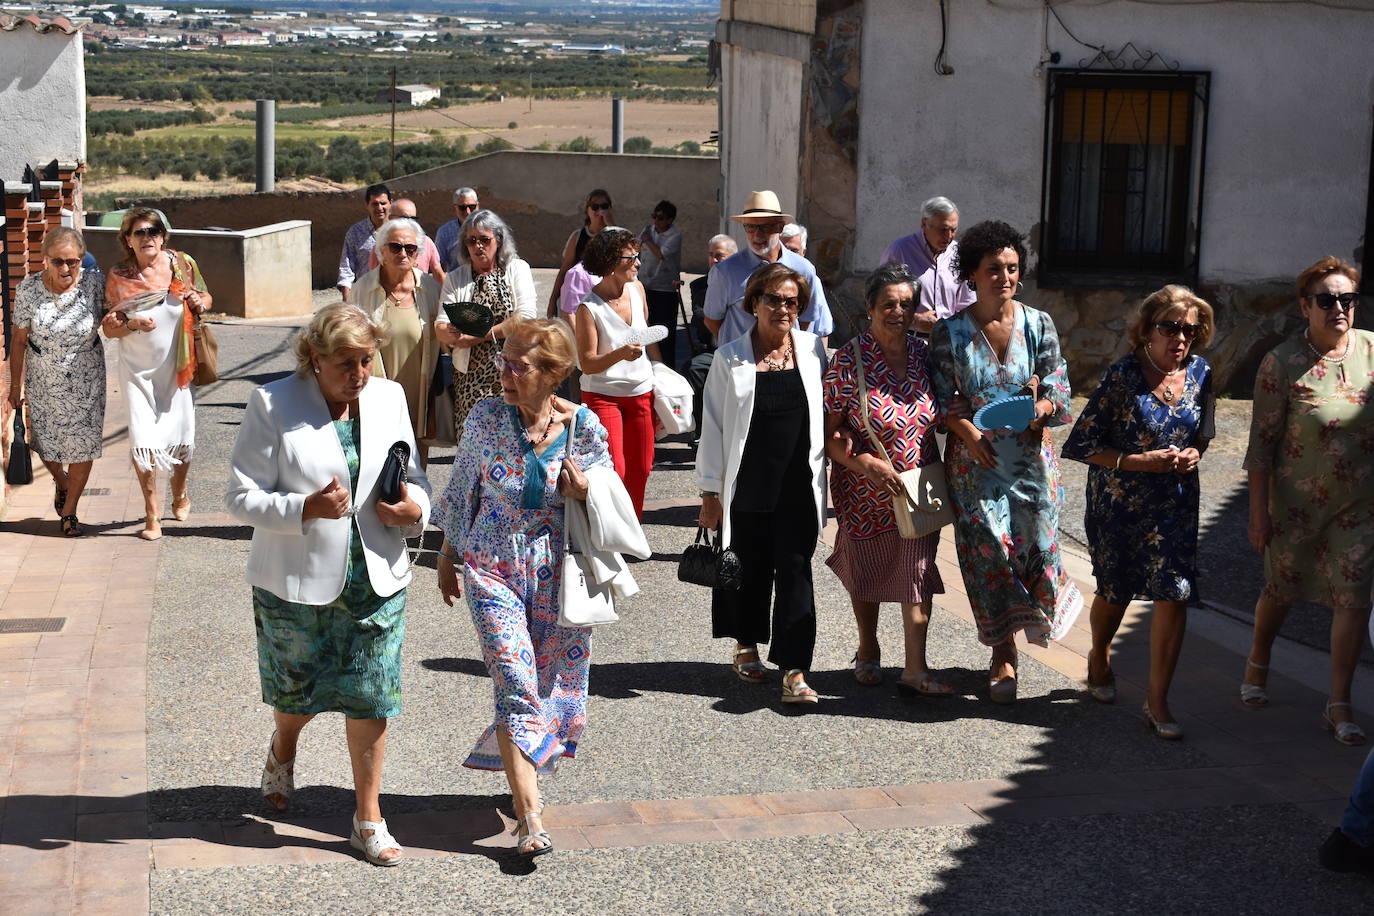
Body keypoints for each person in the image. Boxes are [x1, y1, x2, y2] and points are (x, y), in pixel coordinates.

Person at [226, 304, 430, 867]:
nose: (359, 373)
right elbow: (239, 495)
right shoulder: (273, 402)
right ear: (315, 358)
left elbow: (412, 474)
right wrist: (304, 507)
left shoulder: (388, 397)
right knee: (297, 697)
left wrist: (413, 509)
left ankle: (367, 818)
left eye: (367, 359)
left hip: (377, 578)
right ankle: (283, 744)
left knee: (371, 695)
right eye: (346, 362)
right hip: (295, 581)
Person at [433, 319, 613, 860]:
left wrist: (583, 489)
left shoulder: (585, 427)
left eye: (519, 365)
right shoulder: (486, 418)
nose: (504, 373)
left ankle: (522, 781)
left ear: (553, 374)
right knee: (515, 680)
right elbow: (462, 487)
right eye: (502, 361)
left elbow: (611, 498)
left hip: (560, 574)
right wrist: (446, 555)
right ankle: (530, 816)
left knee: (548, 686)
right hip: (492, 565)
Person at [928, 219, 1081, 703]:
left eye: (1013, 268)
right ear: (972, 272)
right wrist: (967, 430)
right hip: (975, 462)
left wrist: (1040, 407)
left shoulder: (1039, 324)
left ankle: (1035, 628)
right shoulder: (950, 331)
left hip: (1031, 463)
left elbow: (1058, 383)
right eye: (994, 268)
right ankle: (1003, 653)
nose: (1005, 277)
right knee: (989, 553)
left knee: (1035, 547)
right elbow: (940, 397)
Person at [1062, 286, 1216, 739]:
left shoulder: (1203, 374)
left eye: (1190, 329)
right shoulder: (1122, 376)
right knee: (1116, 590)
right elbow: (1082, 444)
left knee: (1175, 592)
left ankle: (1157, 701)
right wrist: (1135, 461)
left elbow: (1203, 434)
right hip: (1120, 503)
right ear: (1147, 329)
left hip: (1175, 505)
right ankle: (1099, 653)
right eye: (1170, 327)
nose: (1181, 338)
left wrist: (1193, 454)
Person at [1240, 256, 1374, 746]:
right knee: (1281, 589)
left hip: (1360, 507)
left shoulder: (1373, 353)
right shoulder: (1281, 363)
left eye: (1347, 298)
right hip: (1295, 506)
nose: (1338, 307)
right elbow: (1260, 447)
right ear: (1305, 307)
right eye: (1327, 299)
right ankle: (1258, 659)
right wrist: (1258, 514)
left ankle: (1339, 702)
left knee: (1354, 599)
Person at [697, 263, 828, 705]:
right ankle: (746, 643)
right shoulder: (729, 356)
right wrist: (710, 493)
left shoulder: (813, 352)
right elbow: (712, 426)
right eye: (773, 299)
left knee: (796, 572)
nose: (783, 308)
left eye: (792, 301)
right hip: (746, 481)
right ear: (754, 303)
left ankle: (793, 669)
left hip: (797, 484)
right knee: (747, 570)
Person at [823, 263, 948, 693]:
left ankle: (916, 668)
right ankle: (868, 647)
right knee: (867, 569)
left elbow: (947, 409)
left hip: (918, 485)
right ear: (870, 307)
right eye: (889, 304)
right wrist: (865, 465)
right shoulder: (847, 359)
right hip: (863, 488)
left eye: (907, 304)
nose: (899, 312)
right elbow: (830, 434)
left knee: (917, 570)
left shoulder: (924, 353)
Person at [103, 208, 211, 541]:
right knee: (142, 440)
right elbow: (109, 327)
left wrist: (199, 301)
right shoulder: (119, 276)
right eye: (139, 232)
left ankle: (179, 491)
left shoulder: (183, 265)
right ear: (128, 240)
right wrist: (131, 323)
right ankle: (152, 515)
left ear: (163, 236)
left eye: (153, 231)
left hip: (177, 368)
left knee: (182, 436)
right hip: (137, 371)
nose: (147, 237)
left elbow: (207, 297)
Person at [7, 227, 106, 537]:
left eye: (73, 262)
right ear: (44, 259)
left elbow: (116, 317)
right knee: (47, 446)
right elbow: (19, 340)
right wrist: (14, 387)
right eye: (59, 262)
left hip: (87, 376)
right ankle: (61, 482)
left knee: (83, 446)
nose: (66, 269)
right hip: (43, 378)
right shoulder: (28, 290)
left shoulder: (93, 285)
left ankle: (70, 511)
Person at [575, 227, 663, 518]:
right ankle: (610, 530)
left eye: (638, 256)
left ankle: (631, 527)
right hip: (603, 396)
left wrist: (655, 365)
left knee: (642, 466)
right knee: (615, 469)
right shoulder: (588, 308)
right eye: (631, 257)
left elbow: (644, 331)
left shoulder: (637, 290)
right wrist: (620, 354)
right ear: (612, 262)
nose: (638, 263)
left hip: (641, 391)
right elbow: (587, 363)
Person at [435, 209, 537, 434]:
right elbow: (440, 325)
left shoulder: (517, 269)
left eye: (484, 239)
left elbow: (526, 317)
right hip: (471, 378)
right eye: (471, 241)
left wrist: (479, 336)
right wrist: (449, 333)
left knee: (516, 439)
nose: (478, 246)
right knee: (474, 443)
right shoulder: (456, 278)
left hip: (515, 372)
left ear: (498, 240)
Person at [351, 217, 443, 466]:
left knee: (414, 465)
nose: (403, 253)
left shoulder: (431, 289)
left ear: (417, 254)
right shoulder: (362, 289)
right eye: (395, 247)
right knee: (376, 460)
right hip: (375, 391)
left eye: (410, 248)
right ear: (382, 251)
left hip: (419, 394)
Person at [704, 191, 829, 347]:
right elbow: (712, 321)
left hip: (786, 363)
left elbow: (806, 319)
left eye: (765, 227)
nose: (757, 234)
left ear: (780, 227)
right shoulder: (725, 272)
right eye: (750, 227)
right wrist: (739, 346)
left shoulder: (803, 269)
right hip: (740, 365)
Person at [882, 196, 976, 335]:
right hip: (908, 341)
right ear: (924, 223)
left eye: (953, 229)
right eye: (943, 229)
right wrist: (915, 320)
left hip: (948, 342)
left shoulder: (959, 254)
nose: (949, 236)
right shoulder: (900, 251)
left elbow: (967, 304)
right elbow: (882, 302)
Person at [547, 189, 614, 317]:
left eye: (604, 206)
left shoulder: (614, 235)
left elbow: (624, 257)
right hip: (577, 302)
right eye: (595, 207)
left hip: (604, 302)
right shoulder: (578, 237)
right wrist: (552, 302)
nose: (600, 211)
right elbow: (564, 271)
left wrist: (611, 225)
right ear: (587, 210)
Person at [638, 199, 683, 368]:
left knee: (665, 332)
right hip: (646, 285)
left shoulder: (675, 235)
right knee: (646, 327)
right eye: (654, 216)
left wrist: (648, 241)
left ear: (670, 219)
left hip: (665, 289)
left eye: (661, 217)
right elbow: (637, 246)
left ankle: (667, 367)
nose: (656, 221)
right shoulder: (648, 230)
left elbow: (662, 254)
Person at [363, 199, 446, 288]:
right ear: (390, 218)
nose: (409, 223)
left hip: (420, 297)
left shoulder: (426, 242)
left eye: (413, 219)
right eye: (405, 218)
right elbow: (372, 278)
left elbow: (438, 273)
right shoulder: (381, 246)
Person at [780, 222, 833, 347]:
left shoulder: (813, 280)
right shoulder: (766, 280)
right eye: (783, 250)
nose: (789, 256)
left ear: (803, 252)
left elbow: (823, 330)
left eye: (794, 251)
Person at [338, 183, 391, 303]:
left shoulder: (400, 230)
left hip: (395, 296)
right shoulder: (355, 232)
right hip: (365, 296)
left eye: (383, 203)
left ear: (390, 203)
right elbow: (347, 268)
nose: (379, 208)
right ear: (367, 205)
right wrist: (347, 299)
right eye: (375, 204)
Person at [434, 187, 480, 271]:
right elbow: (438, 264)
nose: (468, 212)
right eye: (462, 208)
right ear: (454, 209)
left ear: (478, 206)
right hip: (457, 282)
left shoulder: (488, 229)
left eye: (472, 207)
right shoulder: (444, 232)